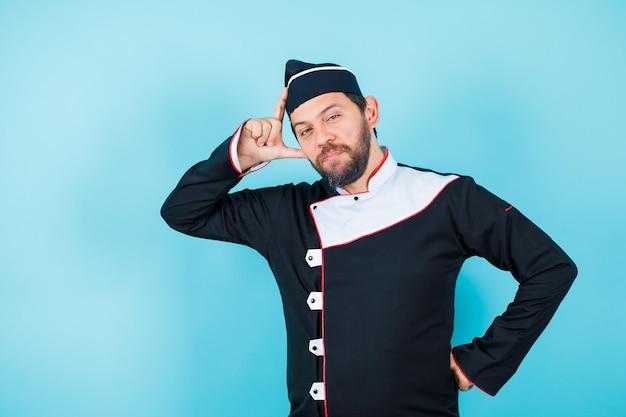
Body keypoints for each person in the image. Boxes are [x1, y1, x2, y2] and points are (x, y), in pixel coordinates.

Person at [161, 60, 577, 417]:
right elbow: (182, 212)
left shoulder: (446, 197)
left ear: (370, 111)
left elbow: (551, 268)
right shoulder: (282, 212)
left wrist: (482, 361)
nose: (321, 137)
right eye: (304, 130)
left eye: (333, 116)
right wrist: (240, 156)